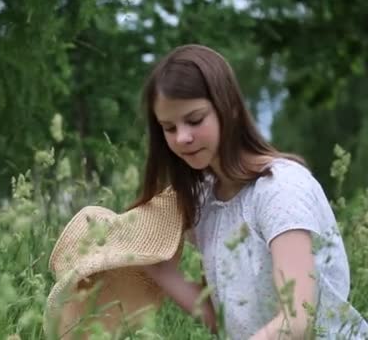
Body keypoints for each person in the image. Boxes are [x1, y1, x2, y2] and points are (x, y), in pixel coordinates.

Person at [132, 44, 368, 339]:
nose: (182, 137)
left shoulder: (280, 190)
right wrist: (160, 270)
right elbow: (227, 323)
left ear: (228, 108)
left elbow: (298, 321)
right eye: (168, 127)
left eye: (194, 120)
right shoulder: (206, 200)